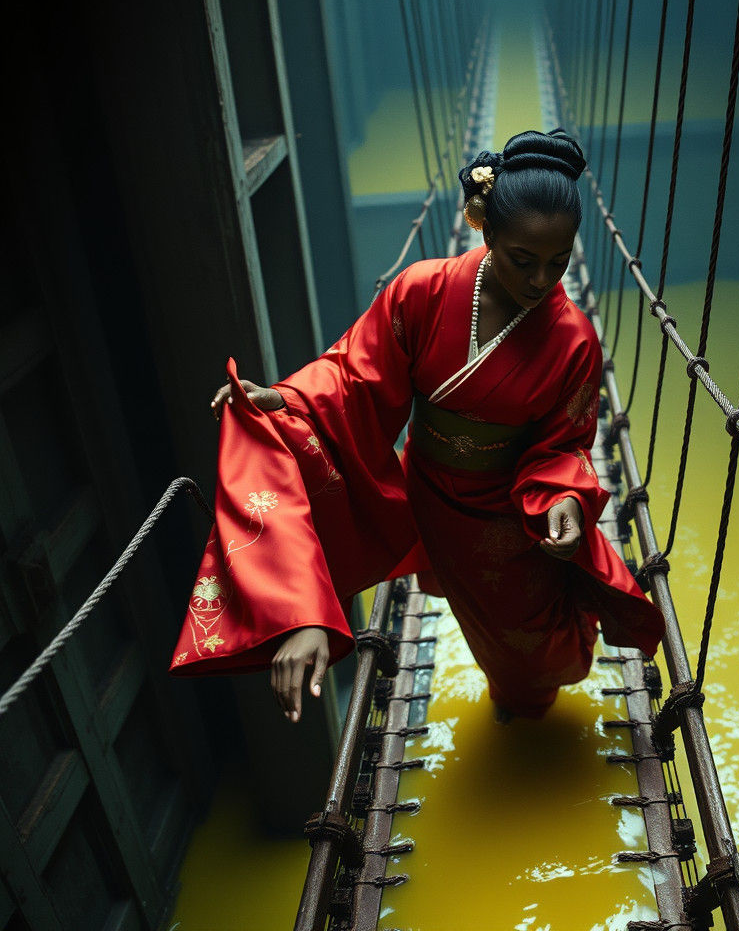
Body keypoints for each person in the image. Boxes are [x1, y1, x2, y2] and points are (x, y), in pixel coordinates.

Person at [169, 129, 664, 721]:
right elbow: (355, 378)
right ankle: (307, 613)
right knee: (479, 626)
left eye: (558, 263)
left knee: (528, 649)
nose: (541, 281)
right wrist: (281, 399)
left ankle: (525, 706)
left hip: (511, 516)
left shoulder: (574, 339)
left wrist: (563, 497)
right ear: (487, 232)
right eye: (523, 260)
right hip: (431, 497)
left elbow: (565, 443)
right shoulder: (422, 291)